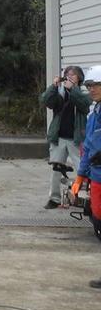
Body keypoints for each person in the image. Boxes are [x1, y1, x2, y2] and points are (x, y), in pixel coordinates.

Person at [41, 65, 89, 209]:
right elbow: (47, 101)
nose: (69, 77)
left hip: (76, 138)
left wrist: (72, 89)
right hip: (59, 137)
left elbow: (84, 105)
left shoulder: (83, 94)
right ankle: (54, 199)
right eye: (67, 74)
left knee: (82, 168)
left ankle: (82, 197)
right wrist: (53, 86)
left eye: (72, 75)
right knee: (56, 169)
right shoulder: (60, 94)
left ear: (79, 78)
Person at [74, 67, 101, 288]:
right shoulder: (94, 113)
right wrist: (81, 176)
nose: (92, 90)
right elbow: (89, 147)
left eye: (96, 85)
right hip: (96, 176)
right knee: (98, 222)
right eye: (90, 86)